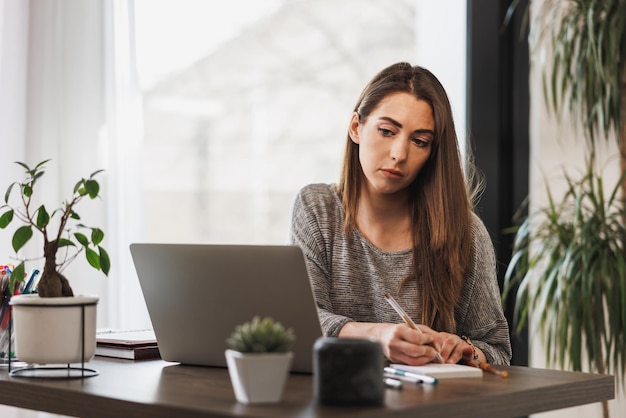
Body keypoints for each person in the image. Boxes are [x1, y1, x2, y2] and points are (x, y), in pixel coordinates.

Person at [289, 62, 511, 366]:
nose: (399, 154)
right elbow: (304, 322)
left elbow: (498, 351)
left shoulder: (465, 231)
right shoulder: (317, 208)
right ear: (356, 127)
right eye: (386, 131)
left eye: (420, 142)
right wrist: (378, 336)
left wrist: (465, 350)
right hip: (336, 402)